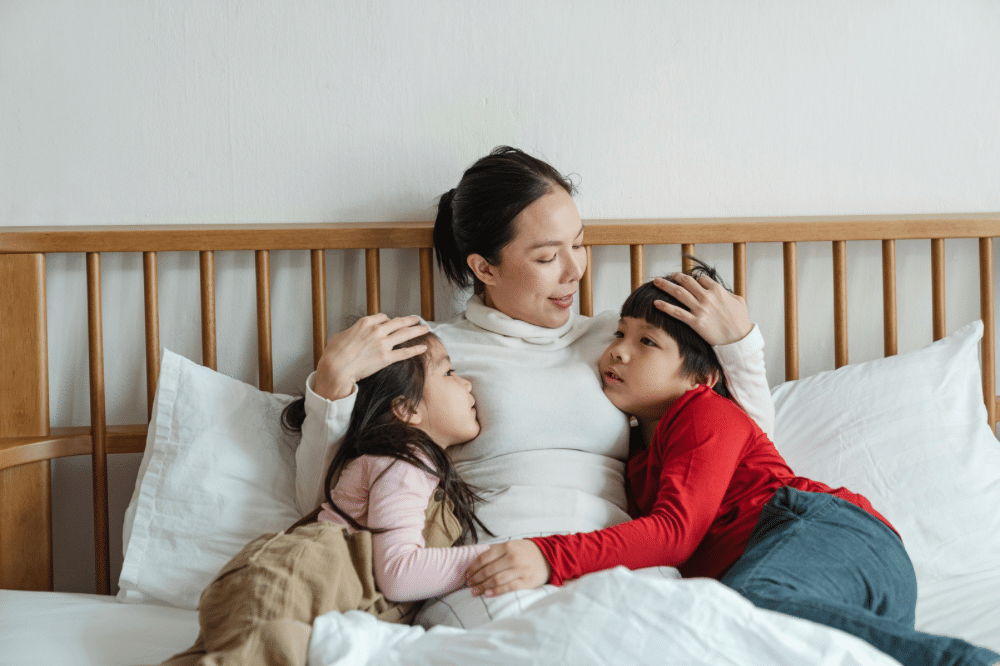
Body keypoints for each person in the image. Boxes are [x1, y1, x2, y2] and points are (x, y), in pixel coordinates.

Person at [294, 146, 775, 627]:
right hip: (492, 570)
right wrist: (330, 391)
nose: (575, 270)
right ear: (485, 268)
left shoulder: (623, 342)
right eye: (547, 256)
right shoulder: (431, 354)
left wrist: (741, 347)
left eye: (579, 245)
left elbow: (730, 446)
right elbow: (331, 501)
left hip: (615, 561)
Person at [466, 263, 1000, 666]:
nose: (619, 352)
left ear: (701, 378)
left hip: (822, 532)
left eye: (647, 342)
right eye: (619, 334)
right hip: (835, 594)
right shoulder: (635, 455)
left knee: (746, 607)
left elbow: (675, 533)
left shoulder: (706, 415)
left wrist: (549, 556)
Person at [161, 332, 492, 666]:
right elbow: (399, 573)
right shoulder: (404, 463)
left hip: (290, 593)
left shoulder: (415, 470)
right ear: (406, 408)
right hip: (293, 585)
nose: (467, 384)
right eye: (449, 373)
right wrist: (495, 559)